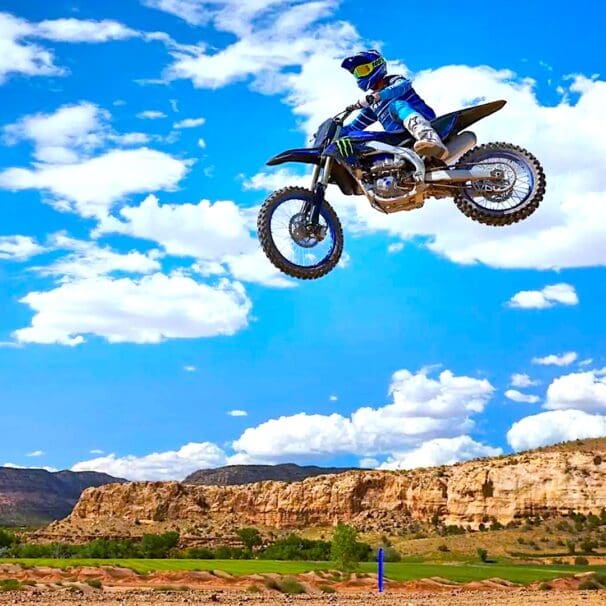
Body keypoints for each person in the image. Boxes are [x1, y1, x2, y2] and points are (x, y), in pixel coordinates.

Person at [340, 50, 448, 159]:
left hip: (425, 120)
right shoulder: (373, 105)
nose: (360, 76)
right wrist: (334, 132)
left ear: (377, 65)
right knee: (356, 137)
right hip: (399, 138)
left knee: (396, 105)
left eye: (363, 70)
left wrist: (378, 95)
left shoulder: (394, 80)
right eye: (357, 73)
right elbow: (354, 126)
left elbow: (400, 88)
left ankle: (430, 138)